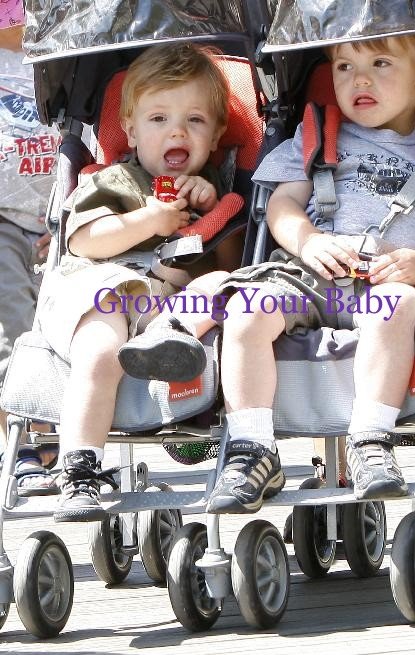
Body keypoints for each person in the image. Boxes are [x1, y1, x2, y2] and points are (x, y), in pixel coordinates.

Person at [201, 31, 415, 514]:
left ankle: (370, 438)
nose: (359, 79)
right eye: (344, 67)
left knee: (396, 309)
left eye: (380, 64)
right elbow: (282, 205)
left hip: (390, 279)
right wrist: (309, 240)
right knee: (245, 310)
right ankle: (251, 448)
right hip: (310, 274)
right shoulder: (316, 136)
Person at [37, 43, 235, 522]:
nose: (177, 132)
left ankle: (170, 342)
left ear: (217, 134)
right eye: (158, 119)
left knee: (226, 283)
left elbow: (227, 262)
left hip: (163, 306)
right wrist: (149, 220)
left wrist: (213, 213)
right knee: (101, 348)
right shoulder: (115, 180)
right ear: (129, 130)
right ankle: (79, 466)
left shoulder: (211, 188)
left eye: (195, 121)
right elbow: (85, 240)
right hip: (101, 293)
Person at [0, 8, 61, 495]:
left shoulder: (61, 54)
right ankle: (23, 439)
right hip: (2, 218)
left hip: (62, 217)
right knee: (10, 329)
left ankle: (55, 427)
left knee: (56, 329)